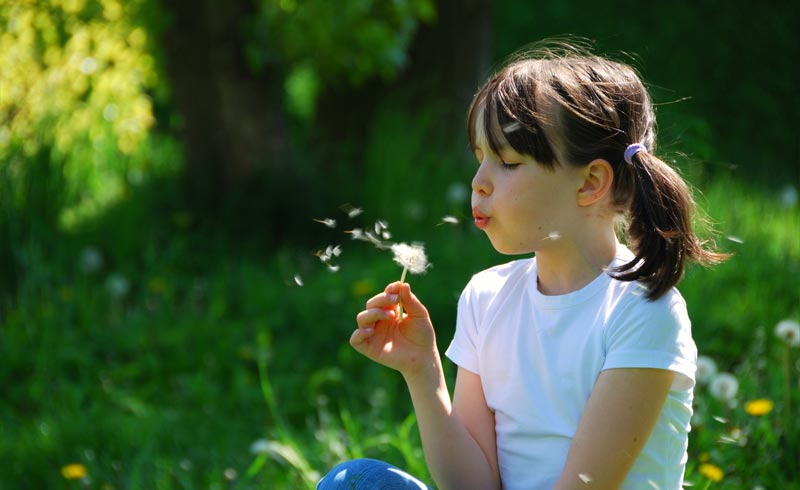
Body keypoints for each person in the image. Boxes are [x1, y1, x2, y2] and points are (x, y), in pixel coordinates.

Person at [317, 40, 726, 489]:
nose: (479, 183)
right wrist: (423, 370)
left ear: (590, 183)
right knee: (353, 481)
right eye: (479, 160)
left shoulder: (642, 311)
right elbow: (474, 485)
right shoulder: (486, 297)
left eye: (508, 162)